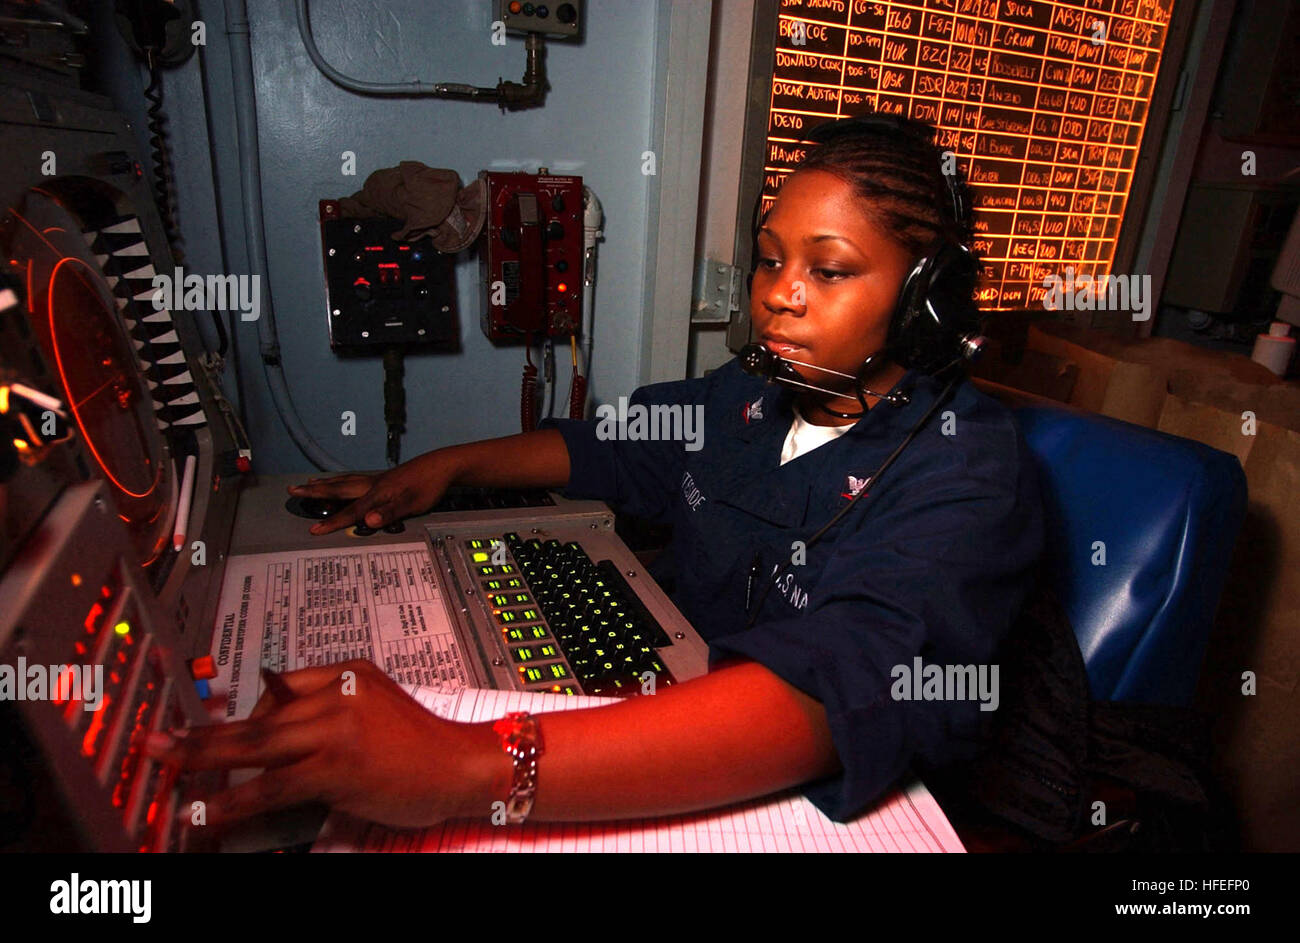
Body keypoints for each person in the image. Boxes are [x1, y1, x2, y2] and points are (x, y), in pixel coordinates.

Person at [147, 115, 1045, 832]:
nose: (778, 291)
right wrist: (445, 467)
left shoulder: (968, 468)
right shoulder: (748, 395)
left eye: (830, 269)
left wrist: (466, 765)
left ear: (923, 302)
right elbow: (614, 447)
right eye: (772, 258)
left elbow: (838, 690)